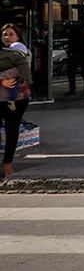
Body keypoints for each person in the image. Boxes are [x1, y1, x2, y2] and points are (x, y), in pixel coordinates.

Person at [1, 24, 32, 179]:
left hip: (17, 99)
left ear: (18, 36)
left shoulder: (23, 52)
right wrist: (2, 81)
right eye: (4, 34)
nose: (7, 37)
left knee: (12, 131)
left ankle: (7, 163)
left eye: (11, 34)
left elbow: (20, 71)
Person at [64, 20, 84, 96]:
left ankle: (73, 90)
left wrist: (70, 52)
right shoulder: (83, 33)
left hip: (75, 54)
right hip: (81, 54)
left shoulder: (73, 35)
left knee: (72, 72)